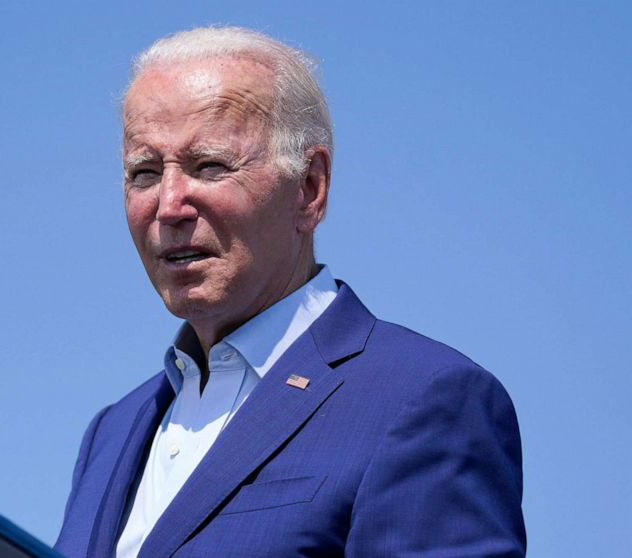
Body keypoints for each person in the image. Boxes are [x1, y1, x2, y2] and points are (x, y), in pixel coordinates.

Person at [55, 27, 525, 557]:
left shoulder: (422, 397)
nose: (168, 206)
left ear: (309, 188)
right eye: (143, 173)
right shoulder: (113, 431)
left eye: (208, 166)